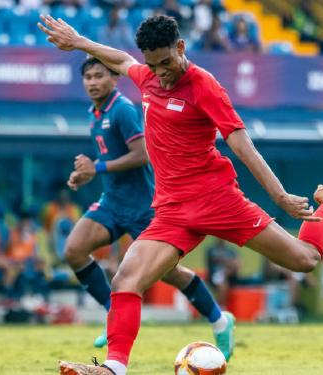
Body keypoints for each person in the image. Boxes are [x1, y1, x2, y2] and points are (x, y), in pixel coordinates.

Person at [37, 14, 323, 375]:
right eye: (154, 64)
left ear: (181, 48)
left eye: (166, 62)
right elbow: (121, 60)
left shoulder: (203, 85)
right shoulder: (148, 76)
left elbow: (242, 145)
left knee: (304, 259)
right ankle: (112, 369)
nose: (161, 72)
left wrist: (279, 196)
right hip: (171, 210)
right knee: (126, 279)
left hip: (218, 200)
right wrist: (79, 41)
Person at [61, 56, 234, 353]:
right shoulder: (95, 112)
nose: (92, 82)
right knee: (74, 250)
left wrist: (97, 168)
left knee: (170, 274)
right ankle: (110, 313)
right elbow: (109, 158)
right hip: (112, 204)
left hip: (144, 208)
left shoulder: (123, 110)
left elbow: (142, 155)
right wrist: (87, 173)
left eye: (99, 76)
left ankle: (219, 320)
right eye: (87, 77)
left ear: (115, 78)